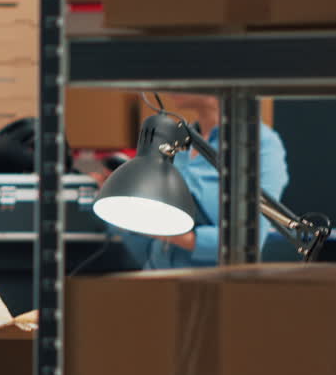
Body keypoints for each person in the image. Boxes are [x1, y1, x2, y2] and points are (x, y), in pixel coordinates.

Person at [108, 93, 290, 268]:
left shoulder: (261, 144)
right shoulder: (178, 140)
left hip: (212, 284)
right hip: (157, 274)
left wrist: (174, 233)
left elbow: (249, 239)